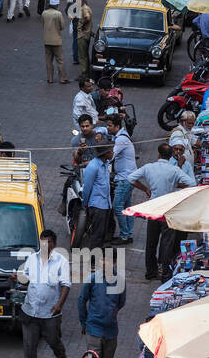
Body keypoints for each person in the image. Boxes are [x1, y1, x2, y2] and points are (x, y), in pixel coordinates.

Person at [14, 228, 70, 358]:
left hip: (51, 312)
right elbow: (25, 276)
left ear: (55, 244)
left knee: (53, 340)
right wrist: (18, 277)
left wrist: (59, 305)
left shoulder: (61, 261)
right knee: (29, 343)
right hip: (30, 310)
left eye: (49, 242)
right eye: (43, 242)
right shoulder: (32, 258)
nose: (46, 245)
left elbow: (66, 285)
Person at [128, 145, 192, 279]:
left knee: (151, 241)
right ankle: (165, 272)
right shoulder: (174, 170)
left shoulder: (148, 167)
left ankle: (150, 271)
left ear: (158, 154)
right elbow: (191, 183)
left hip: (153, 208)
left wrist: (145, 189)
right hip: (167, 209)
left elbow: (131, 178)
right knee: (167, 241)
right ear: (170, 156)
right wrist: (175, 185)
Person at [78, 268, 126, 358]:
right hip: (94, 330)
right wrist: (84, 322)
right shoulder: (92, 279)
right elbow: (81, 300)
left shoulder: (119, 280)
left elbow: (121, 302)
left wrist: (110, 314)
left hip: (111, 331)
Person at [106, 112, 136, 244]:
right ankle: (128, 234)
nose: (107, 128)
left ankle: (124, 235)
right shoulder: (122, 136)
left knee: (117, 206)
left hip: (124, 179)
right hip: (128, 177)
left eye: (110, 126)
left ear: (117, 126)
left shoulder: (120, 139)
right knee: (127, 206)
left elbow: (110, 156)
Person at [82, 142, 113, 248]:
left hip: (106, 204)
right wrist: (85, 205)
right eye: (110, 151)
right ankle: (93, 260)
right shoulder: (93, 166)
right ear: (105, 154)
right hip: (97, 206)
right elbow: (87, 188)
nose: (112, 152)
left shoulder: (106, 164)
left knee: (102, 234)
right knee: (97, 236)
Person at [41, 0, 69, 84]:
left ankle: (50, 78)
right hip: (56, 40)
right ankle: (62, 78)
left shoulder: (44, 13)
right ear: (57, 4)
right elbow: (62, 26)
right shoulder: (58, 14)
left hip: (46, 40)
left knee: (48, 60)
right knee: (60, 60)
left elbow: (43, 24)